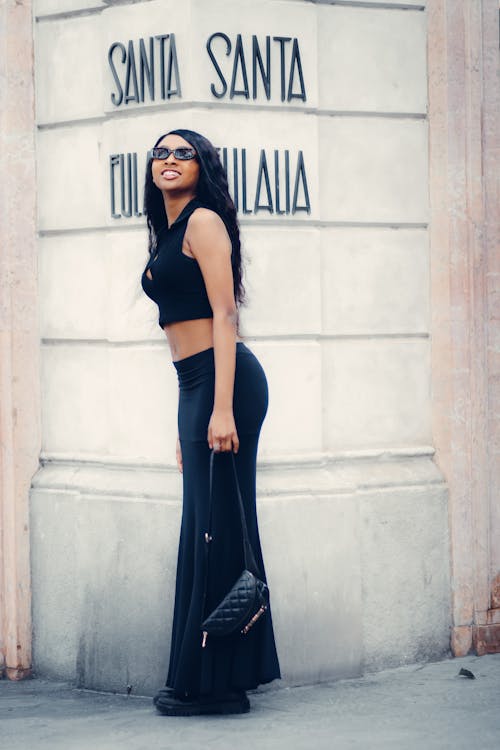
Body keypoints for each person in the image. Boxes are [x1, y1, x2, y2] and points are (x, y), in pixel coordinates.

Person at [140, 128, 281, 716]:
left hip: (226, 385)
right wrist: (188, 420)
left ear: (203, 168)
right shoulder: (171, 232)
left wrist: (221, 409)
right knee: (205, 522)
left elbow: (225, 315)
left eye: (183, 153)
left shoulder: (203, 222)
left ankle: (219, 686)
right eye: (161, 153)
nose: (170, 160)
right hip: (193, 387)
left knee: (217, 525)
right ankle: (212, 677)